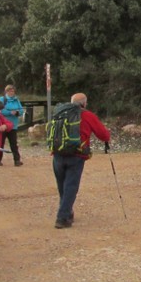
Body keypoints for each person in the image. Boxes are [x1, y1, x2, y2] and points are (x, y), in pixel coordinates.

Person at [52, 93, 111, 229]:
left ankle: (67, 211)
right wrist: (107, 138)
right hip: (76, 155)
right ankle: (62, 218)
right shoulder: (87, 115)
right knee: (71, 186)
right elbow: (103, 134)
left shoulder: (59, 113)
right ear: (84, 103)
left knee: (62, 185)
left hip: (57, 153)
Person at [0, 84, 25, 167]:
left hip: (13, 126)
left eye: (12, 91)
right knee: (0, 143)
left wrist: (16, 112)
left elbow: (21, 111)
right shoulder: (2, 99)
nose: (11, 92)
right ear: (6, 91)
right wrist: (10, 112)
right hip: (3, 125)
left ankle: (17, 160)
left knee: (14, 144)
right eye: (10, 91)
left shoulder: (16, 100)